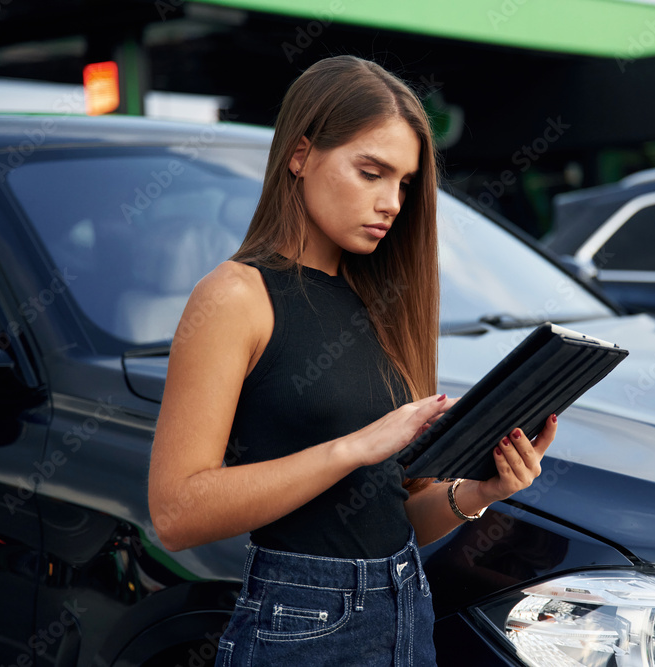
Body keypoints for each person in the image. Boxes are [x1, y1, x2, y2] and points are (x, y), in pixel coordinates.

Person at [147, 55, 558, 666]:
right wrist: (354, 447)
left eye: (405, 183)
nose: (392, 202)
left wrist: (478, 491)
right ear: (301, 155)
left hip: (404, 606)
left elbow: (390, 518)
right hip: (302, 625)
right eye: (371, 172)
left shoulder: (386, 303)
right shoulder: (237, 295)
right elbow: (177, 513)